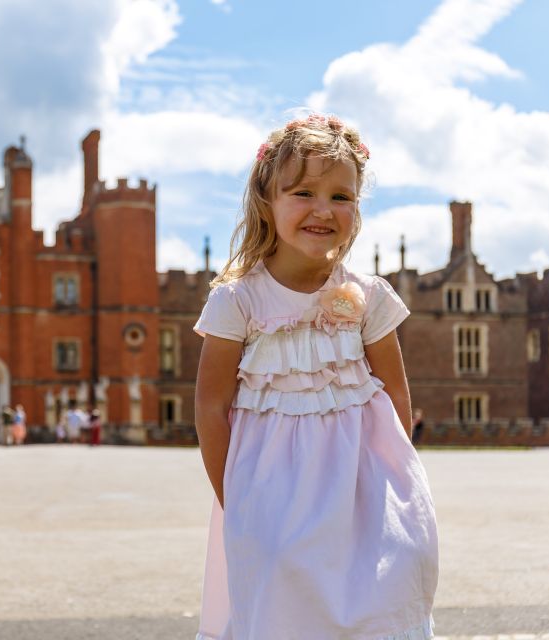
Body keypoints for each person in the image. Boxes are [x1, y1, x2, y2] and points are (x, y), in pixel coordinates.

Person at [193, 114, 438, 639]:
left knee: (395, 573)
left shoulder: (368, 296)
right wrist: (235, 500)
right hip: (270, 495)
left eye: (342, 197)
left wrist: (393, 482)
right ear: (267, 201)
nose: (323, 210)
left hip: (364, 489)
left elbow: (396, 394)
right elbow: (211, 408)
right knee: (285, 592)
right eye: (303, 192)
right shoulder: (238, 300)